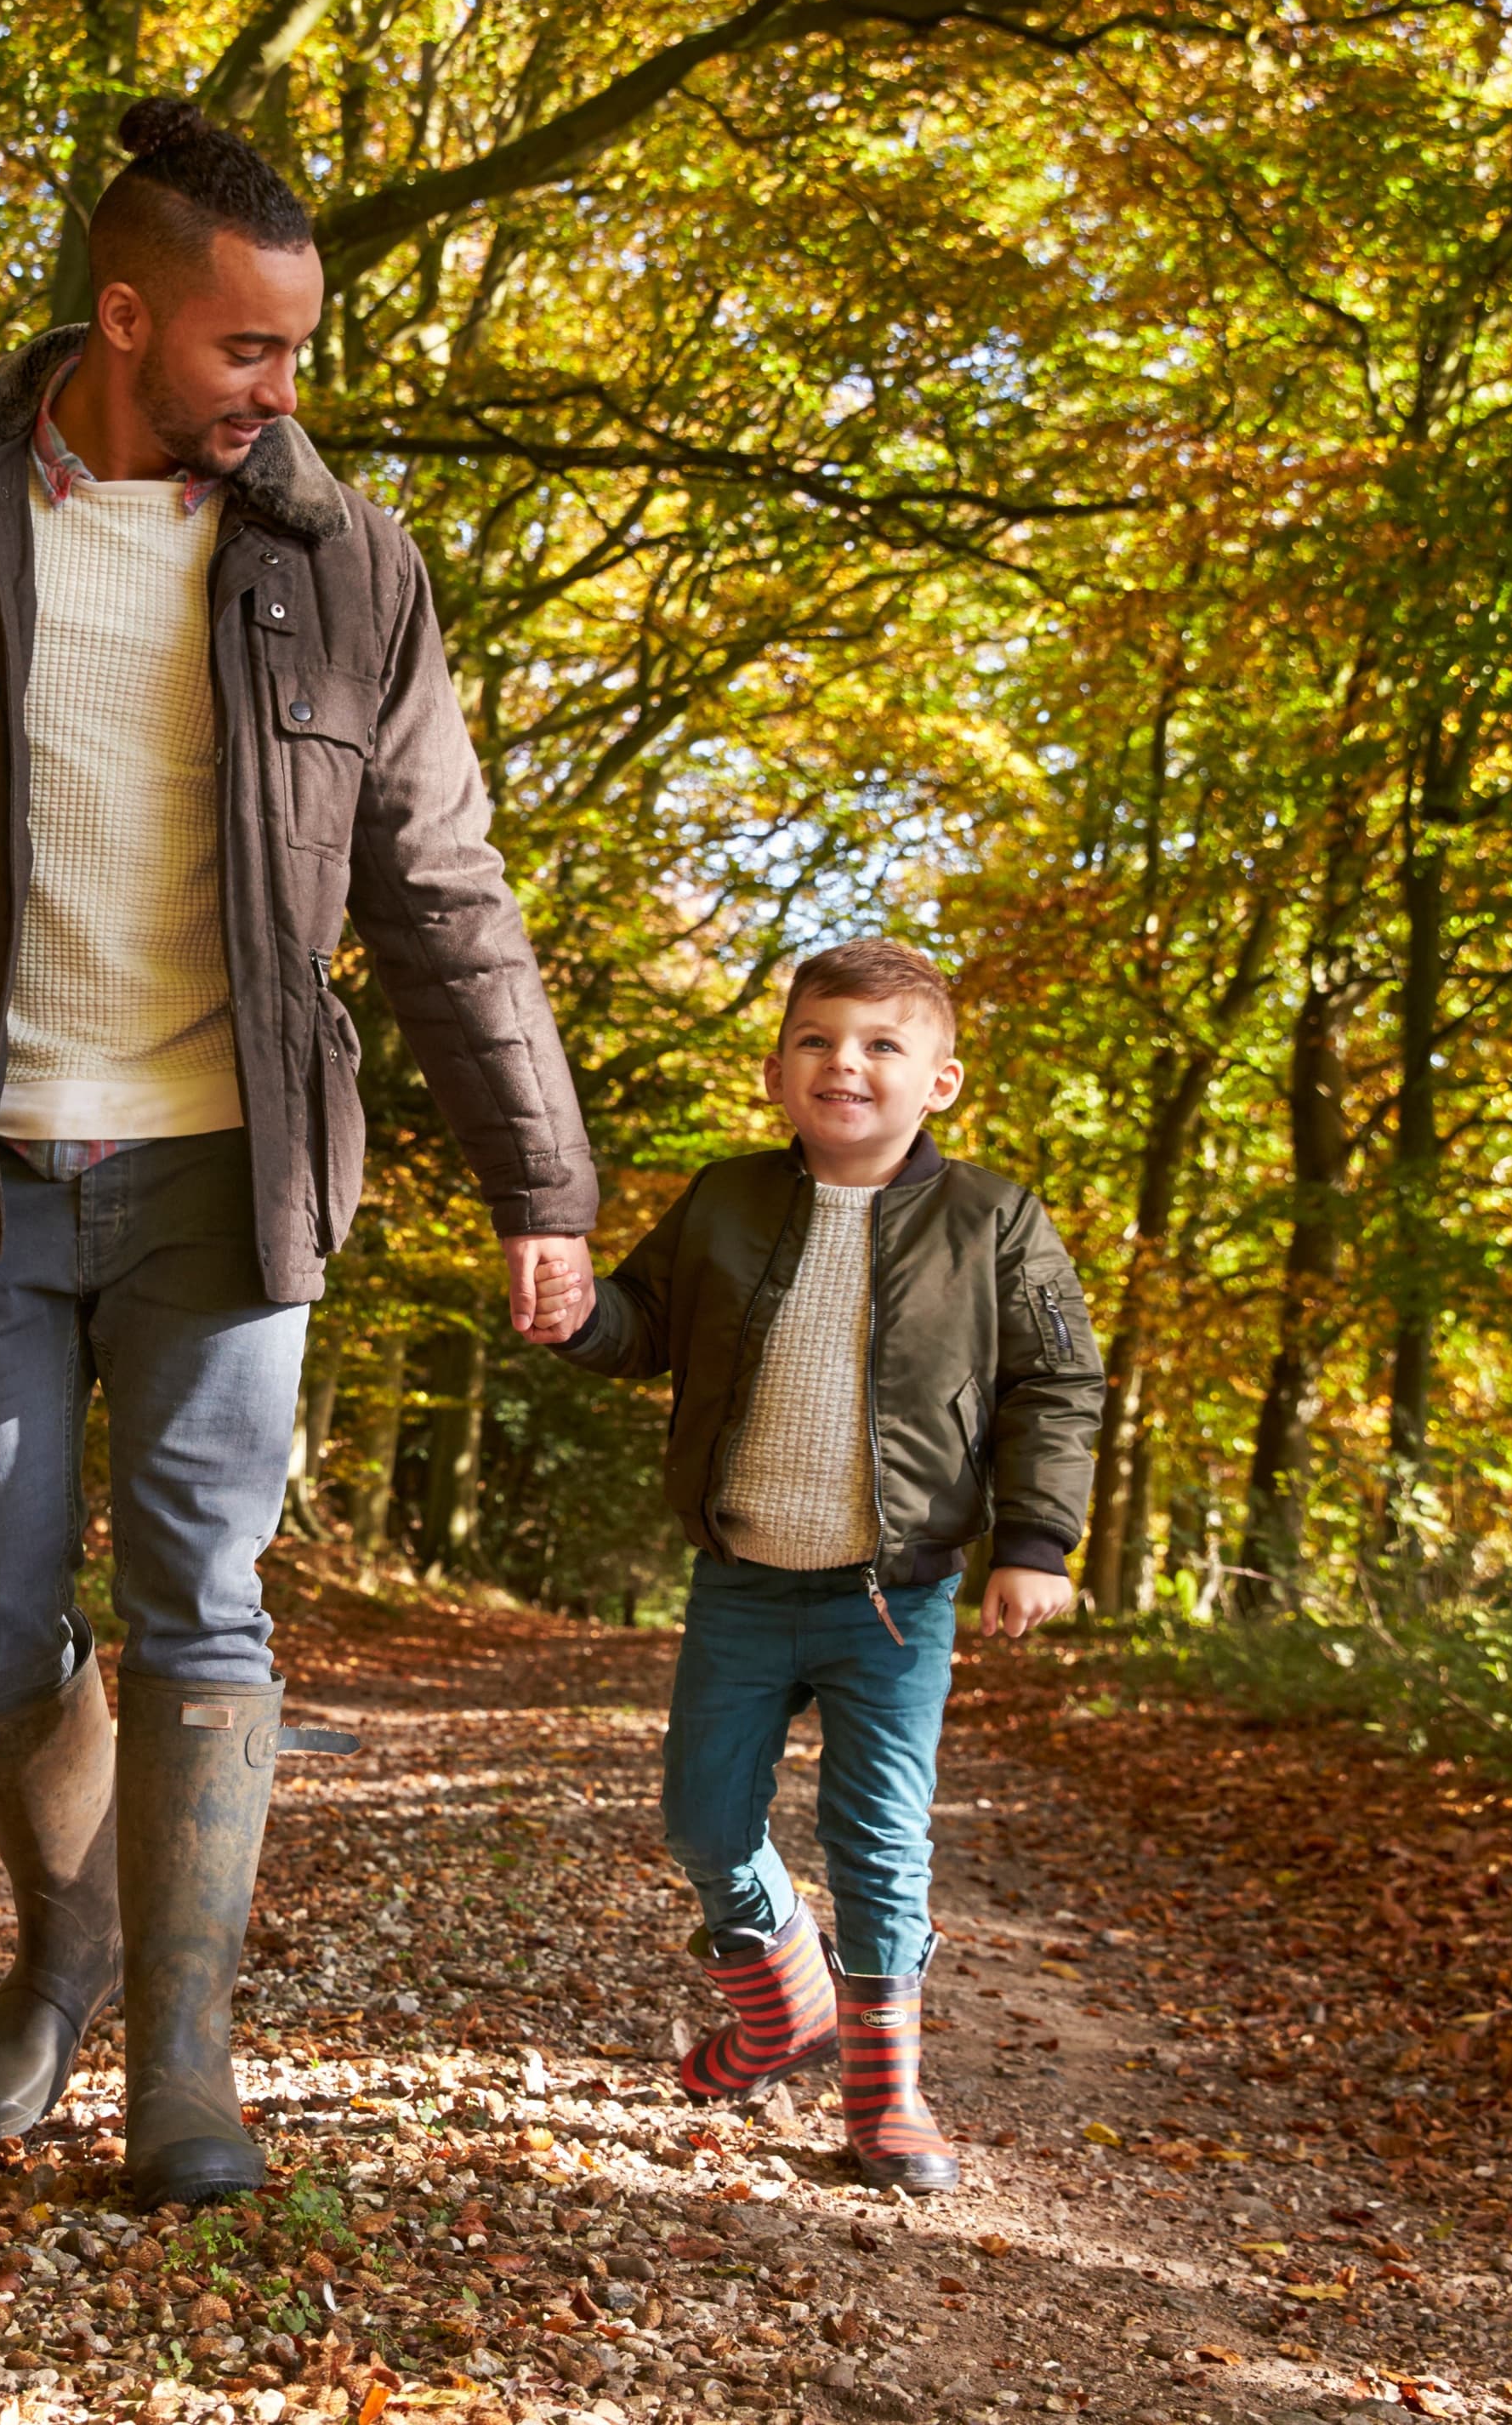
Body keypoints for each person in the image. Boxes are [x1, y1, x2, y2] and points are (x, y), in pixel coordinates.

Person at [0, 96, 599, 2205]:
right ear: (125, 318)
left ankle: (183, 2063)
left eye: (297, 352)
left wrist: (541, 1182)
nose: (282, 392)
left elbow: (440, 886)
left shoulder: (344, 562)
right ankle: (73, 1948)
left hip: (233, 1167)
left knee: (203, 1600)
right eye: (247, 351)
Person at [549, 937, 1104, 2191]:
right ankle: (782, 2000)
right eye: (815, 1040)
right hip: (743, 1579)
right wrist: (579, 1312)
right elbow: (642, 1323)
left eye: (878, 1045)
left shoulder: (993, 1221)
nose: (842, 1063)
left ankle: (885, 2091)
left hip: (893, 1599)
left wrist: (1035, 1542)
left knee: (879, 1840)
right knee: (701, 1817)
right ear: (773, 1069)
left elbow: (1056, 1382)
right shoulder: (728, 1198)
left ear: (940, 1083)